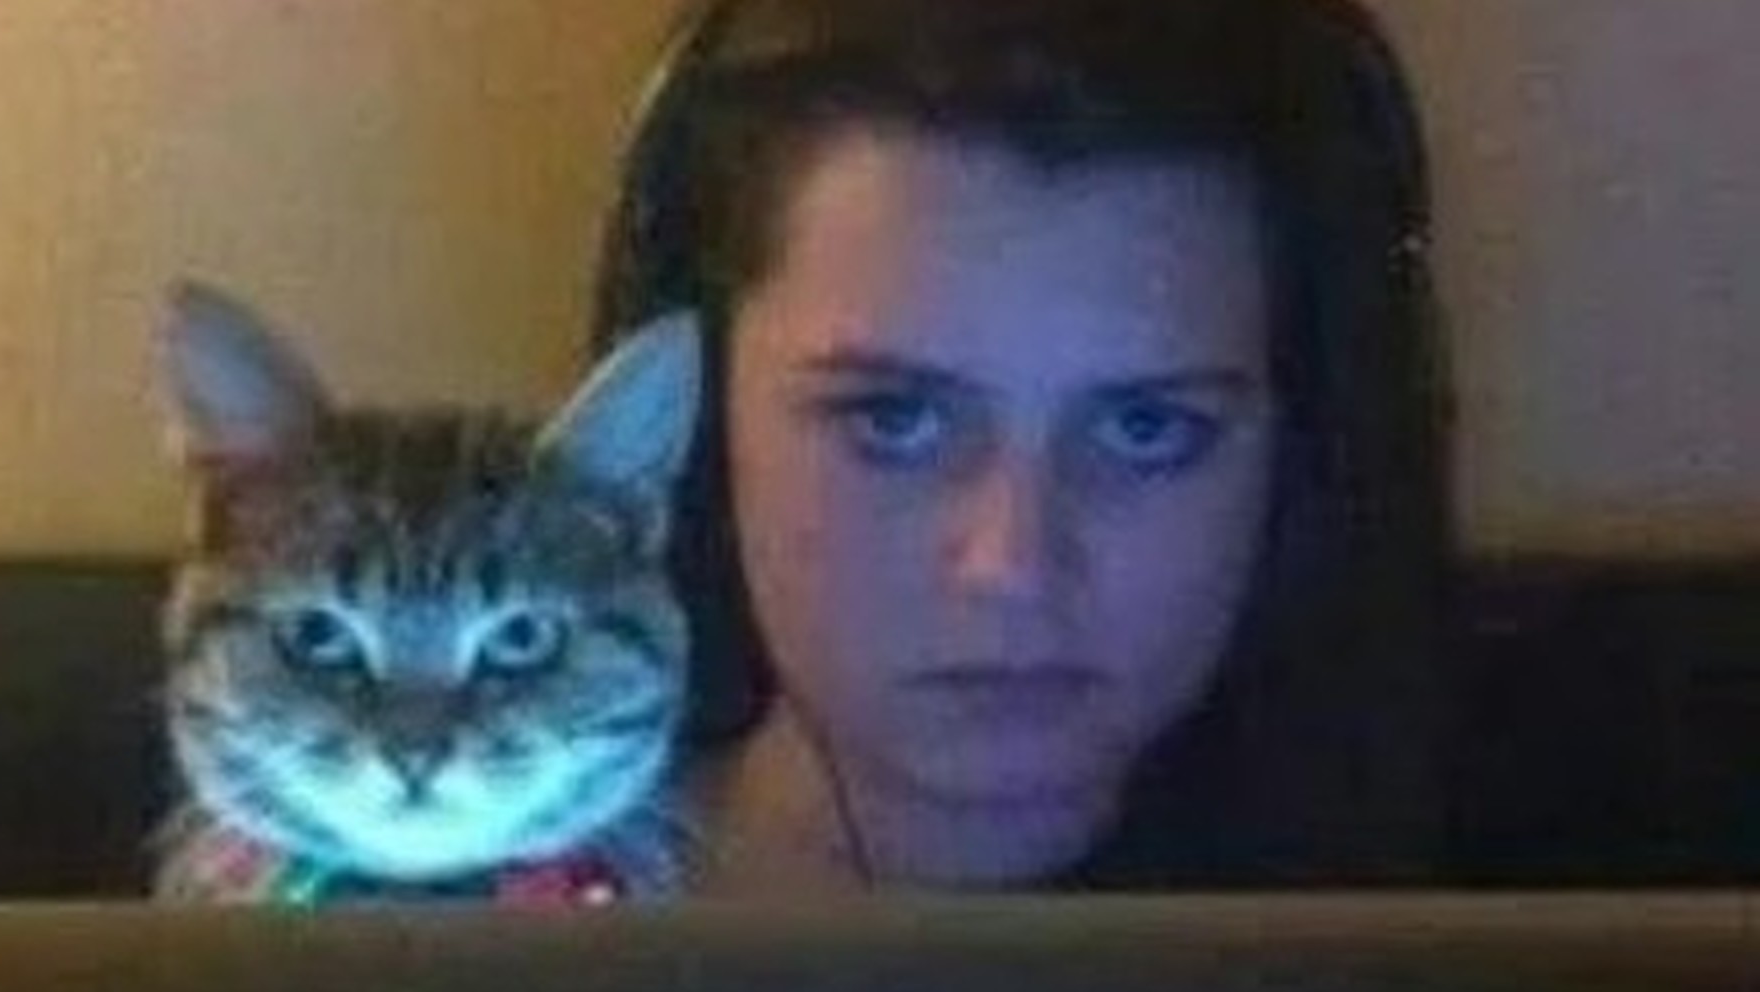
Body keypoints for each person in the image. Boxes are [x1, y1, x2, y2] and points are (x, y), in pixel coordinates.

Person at [590, 0, 1458, 892]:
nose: (1011, 566)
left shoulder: (1494, 918)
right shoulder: (515, 925)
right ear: (695, 424)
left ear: (1296, 459)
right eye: (895, 419)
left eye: (1146, 429)